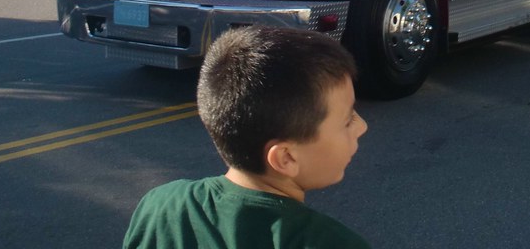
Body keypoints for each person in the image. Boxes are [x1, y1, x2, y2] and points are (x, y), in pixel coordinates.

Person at [122, 27, 371, 248]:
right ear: (285, 158)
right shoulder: (332, 242)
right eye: (347, 120)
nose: (362, 126)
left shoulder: (159, 207)